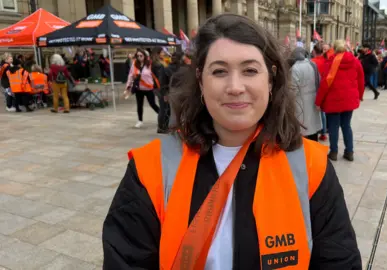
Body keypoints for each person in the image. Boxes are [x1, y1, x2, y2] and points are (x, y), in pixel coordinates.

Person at [103, 14, 361, 269]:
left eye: (249, 70)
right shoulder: (151, 169)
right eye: (219, 71)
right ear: (201, 82)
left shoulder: (311, 167)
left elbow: (338, 261)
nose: (235, 86)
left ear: (270, 80)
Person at [315, 40, 364, 161]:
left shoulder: (331, 62)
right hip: (349, 100)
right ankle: (349, 152)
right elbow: (361, 80)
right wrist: (360, 95)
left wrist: (318, 101)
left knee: (333, 127)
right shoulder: (355, 61)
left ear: (335, 49)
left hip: (333, 100)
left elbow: (325, 83)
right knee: (346, 125)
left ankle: (334, 152)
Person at [291, 47, 322, 141]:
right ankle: (314, 148)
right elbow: (319, 80)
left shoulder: (295, 68)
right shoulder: (312, 64)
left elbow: (292, 89)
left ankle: (305, 151)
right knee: (312, 128)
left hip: (300, 102)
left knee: (303, 128)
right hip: (313, 99)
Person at [125, 49, 160, 128]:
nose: (139, 57)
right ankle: (140, 121)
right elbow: (130, 75)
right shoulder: (135, 64)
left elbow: (155, 76)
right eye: (138, 56)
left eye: (141, 56)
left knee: (153, 104)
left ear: (145, 56)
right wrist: (128, 86)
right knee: (139, 105)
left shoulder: (150, 64)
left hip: (149, 88)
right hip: (138, 88)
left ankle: (162, 116)